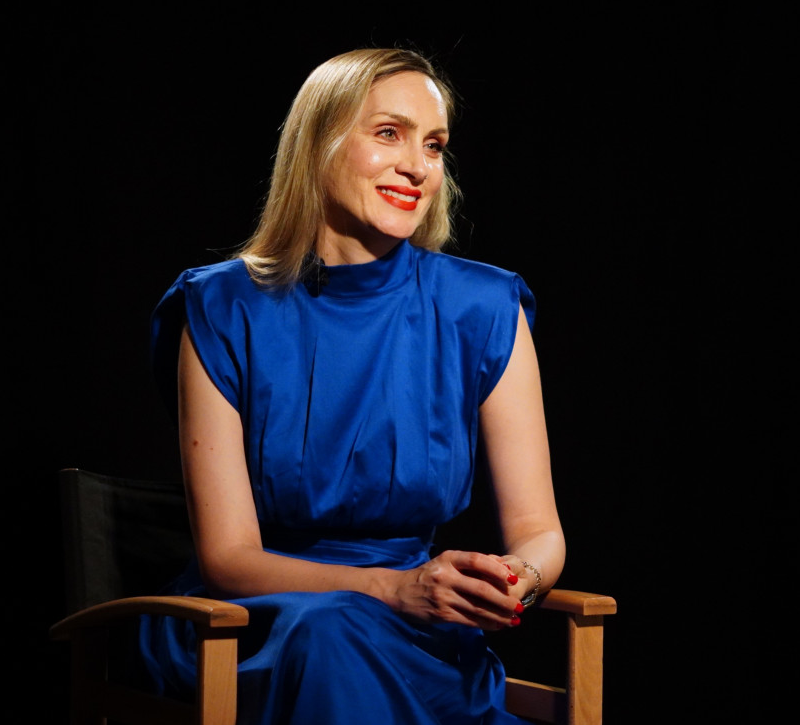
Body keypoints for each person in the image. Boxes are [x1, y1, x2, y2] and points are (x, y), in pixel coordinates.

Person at [138, 47, 565, 725]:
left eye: (433, 145)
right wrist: (393, 588)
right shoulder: (219, 305)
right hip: (251, 625)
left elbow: (539, 531)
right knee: (331, 634)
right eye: (389, 134)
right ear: (319, 143)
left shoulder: (484, 305)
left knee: (355, 642)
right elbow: (228, 557)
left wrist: (517, 579)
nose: (418, 165)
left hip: (420, 629)